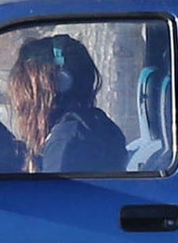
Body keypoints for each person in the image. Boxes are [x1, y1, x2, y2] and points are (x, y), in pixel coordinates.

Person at [9, 34, 128, 174]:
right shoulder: (96, 126)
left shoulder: (67, 144)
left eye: (26, 88)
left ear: (60, 82)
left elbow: (57, 196)